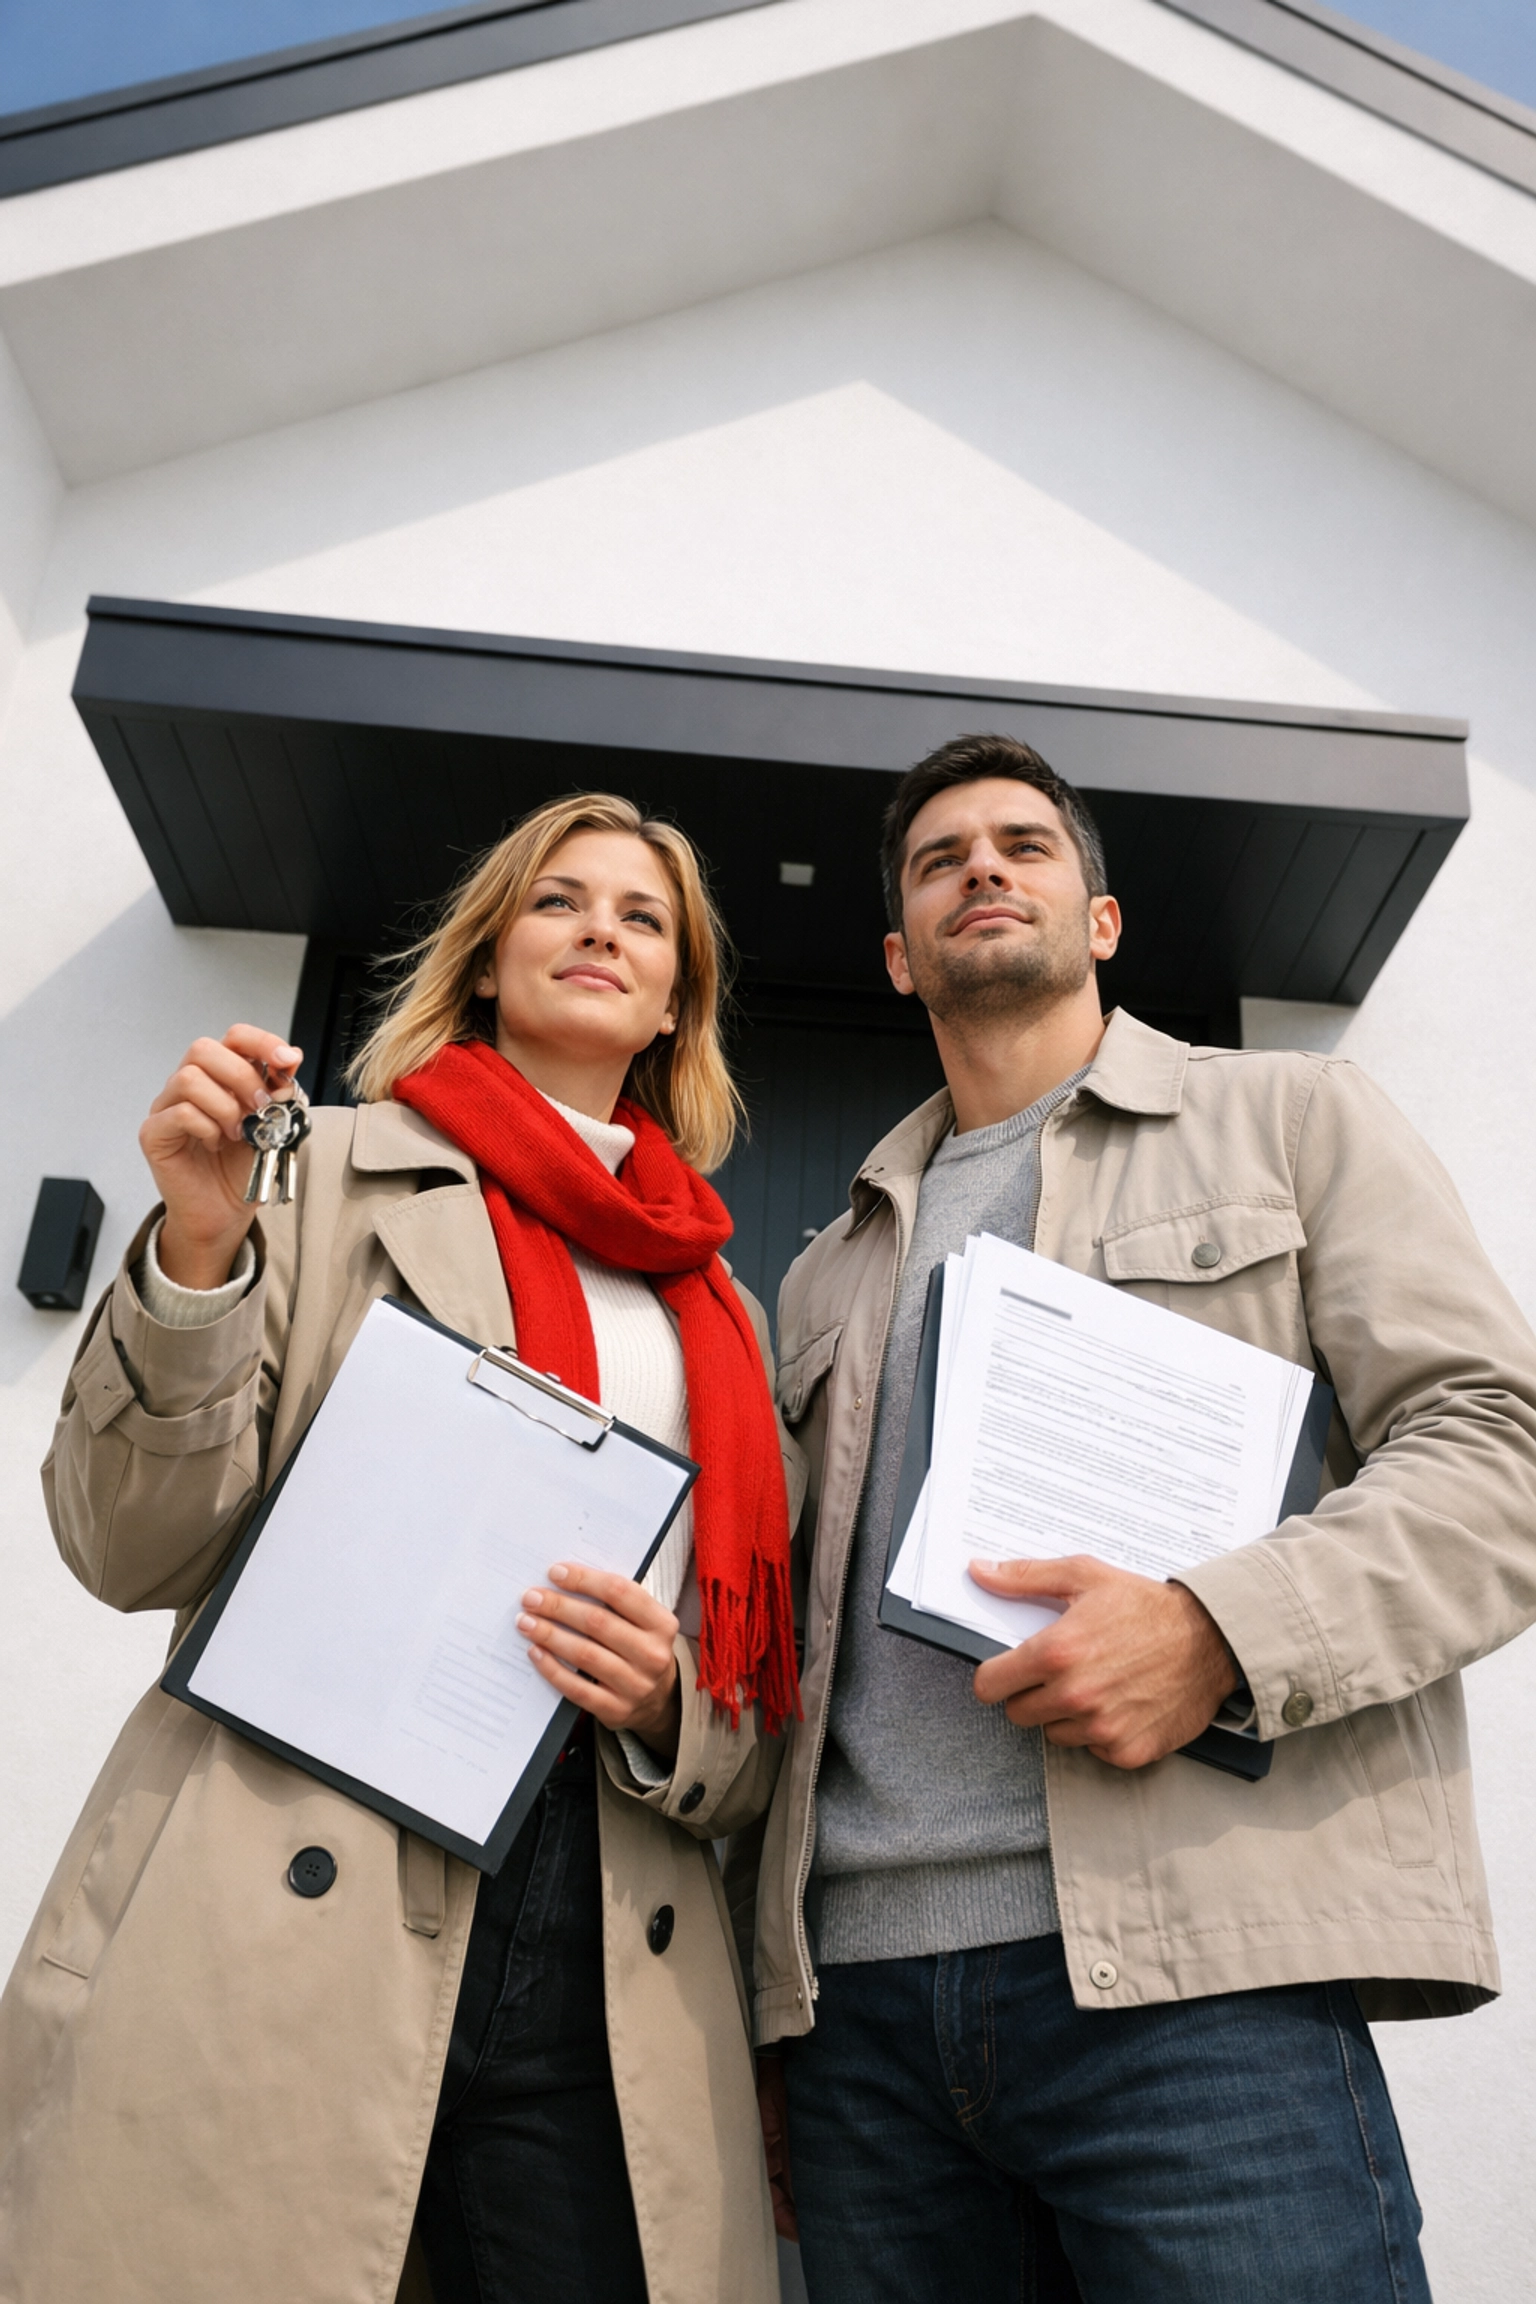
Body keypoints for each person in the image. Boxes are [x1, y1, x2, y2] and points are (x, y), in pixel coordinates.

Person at [749, 732, 1536, 2304]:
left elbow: (1497, 1452)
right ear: (900, 959)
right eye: (941, 856)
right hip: (862, 2028)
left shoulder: (1295, 1123)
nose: (985, 865)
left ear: (1101, 920)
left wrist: (1215, 1634)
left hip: (1201, 1987)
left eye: (1026, 846)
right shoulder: (822, 1273)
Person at [0, 792, 801, 2304]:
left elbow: (758, 1728)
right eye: (561, 900)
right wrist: (193, 1250)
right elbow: (128, 1545)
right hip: (302, 1874)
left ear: (677, 998)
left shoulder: (727, 1316)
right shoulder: (311, 1174)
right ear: (490, 955)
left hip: (608, 1929)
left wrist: (666, 1702)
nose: (601, 933)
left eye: (644, 920)